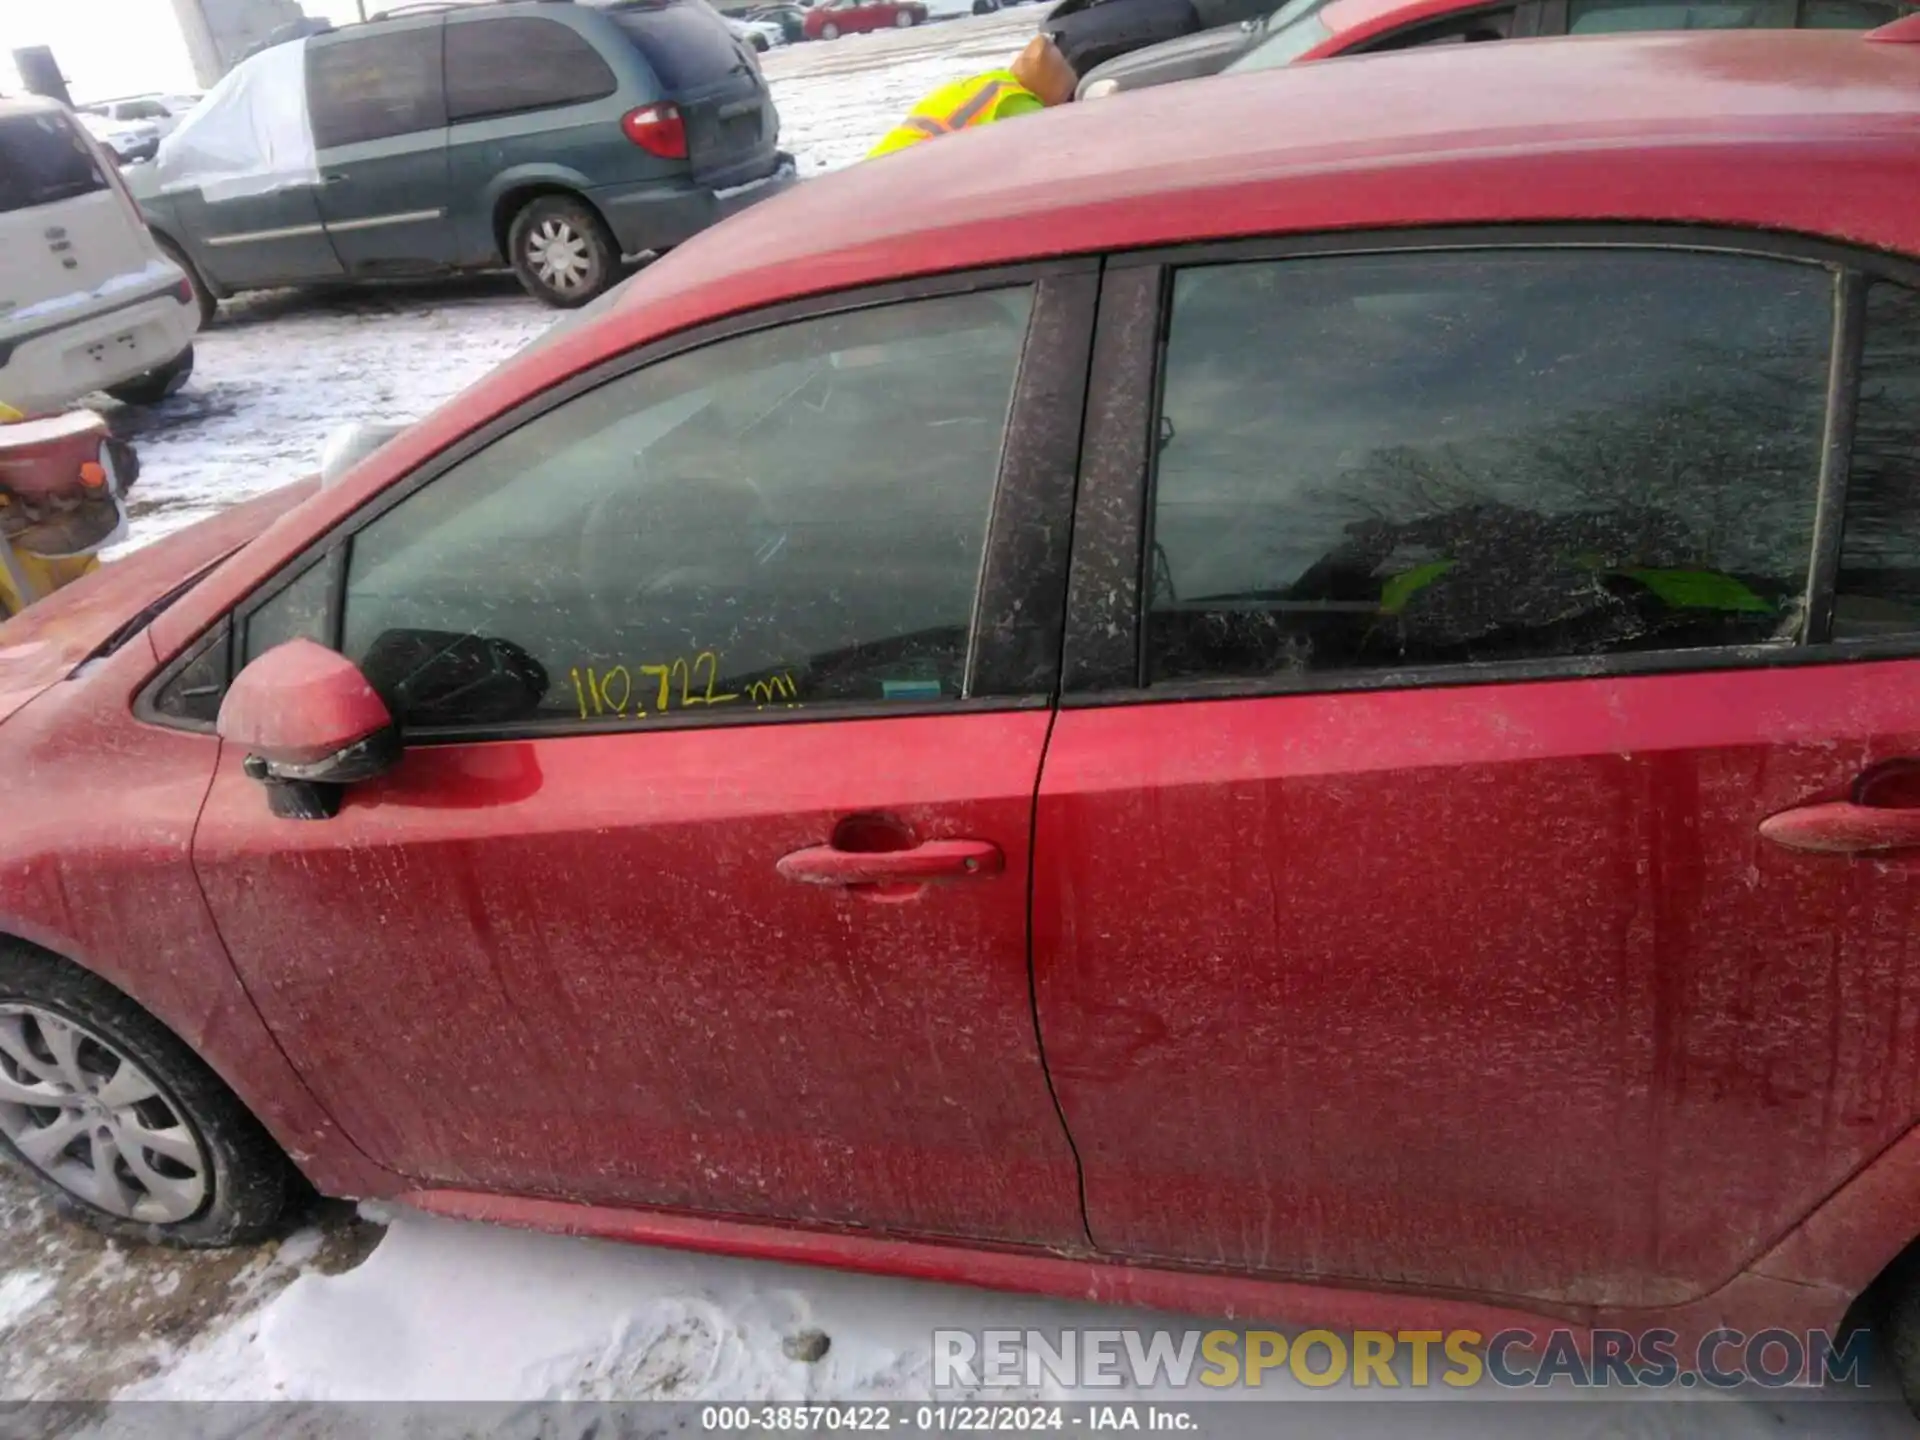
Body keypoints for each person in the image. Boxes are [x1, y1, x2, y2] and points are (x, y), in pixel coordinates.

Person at [868, 34, 1076, 159]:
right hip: (909, 173)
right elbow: (1057, 151)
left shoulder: (997, 81)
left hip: (885, 162)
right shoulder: (1021, 104)